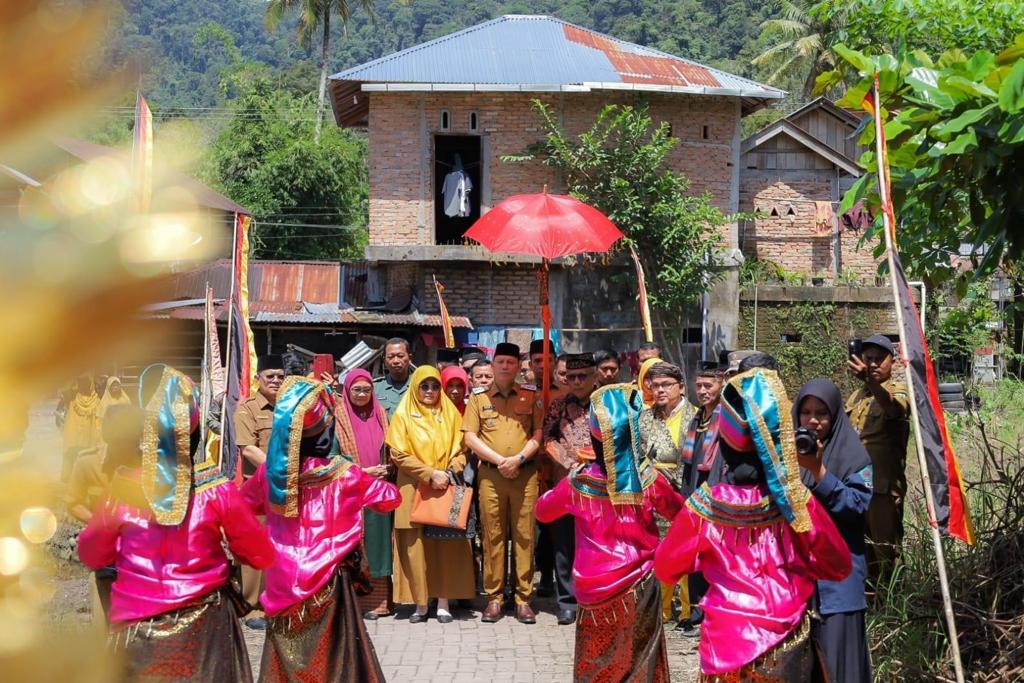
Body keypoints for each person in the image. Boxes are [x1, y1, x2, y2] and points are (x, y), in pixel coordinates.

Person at [79, 365, 274, 682]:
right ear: (196, 433)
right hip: (206, 627)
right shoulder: (216, 488)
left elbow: (92, 554)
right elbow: (259, 553)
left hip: (138, 629)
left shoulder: (122, 489)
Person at [654, 368, 851, 681]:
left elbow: (665, 569)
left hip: (726, 641)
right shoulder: (797, 501)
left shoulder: (703, 508)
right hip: (786, 639)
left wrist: (705, 557)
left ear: (724, 445)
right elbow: (838, 566)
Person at [242, 375, 400, 682]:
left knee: (287, 652)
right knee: (328, 654)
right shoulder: (345, 475)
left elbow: (243, 505)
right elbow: (389, 499)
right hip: (328, 582)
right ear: (325, 434)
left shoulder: (269, 475)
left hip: (281, 579)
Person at [537, 382, 684, 682]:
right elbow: (681, 513)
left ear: (593, 434)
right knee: (641, 658)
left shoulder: (578, 484)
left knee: (598, 662)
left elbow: (543, 511)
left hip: (594, 588)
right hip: (640, 584)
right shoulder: (648, 479)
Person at [795, 379, 874, 683]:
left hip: (838, 586)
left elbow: (855, 507)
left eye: (822, 413)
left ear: (836, 416)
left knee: (840, 669)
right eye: (806, 412)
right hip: (796, 583)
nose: (813, 420)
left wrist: (819, 472)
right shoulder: (786, 457)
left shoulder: (855, 457)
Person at [386, 366, 476, 623]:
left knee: (444, 543)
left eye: (435, 386)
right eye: (424, 386)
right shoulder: (403, 414)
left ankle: (444, 601)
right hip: (413, 487)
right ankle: (421, 603)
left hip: (444, 487)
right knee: (415, 546)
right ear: (415, 387)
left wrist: (447, 472)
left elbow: (463, 450)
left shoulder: (450, 414)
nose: (430, 391)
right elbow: (399, 454)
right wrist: (428, 474)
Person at [463, 342, 543, 624]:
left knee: (524, 536)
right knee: (492, 536)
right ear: (493, 365)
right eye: (501, 362)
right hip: (492, 476)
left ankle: (523, 599)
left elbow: (538, 433)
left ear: (518, 366)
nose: (506, 366)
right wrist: (500, 461)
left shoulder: (530, 396)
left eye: (511, 362)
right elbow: (470, 437)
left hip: (524, 474)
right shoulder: (478, 397)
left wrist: (518, 459)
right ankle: (494, 598)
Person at [540, 353, 598, 626]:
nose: (576, 381)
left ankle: (594, 599)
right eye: (571, 376)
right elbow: (548, 437)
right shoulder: (559, 405)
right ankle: (566, 602)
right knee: (564, 545)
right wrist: (567, 460)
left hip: (600, 486)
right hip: (566, 483)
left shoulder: (607, 403)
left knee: (596, 544)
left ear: (595, 375)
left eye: (582, 376)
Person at [846, 334, 910, 578]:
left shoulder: (898, 390)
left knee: (886, 551)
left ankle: (893, 607)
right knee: (861, 550)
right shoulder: (857, 396)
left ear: (891, 363)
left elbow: (894, 408)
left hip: (882, 488)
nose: (872, 364)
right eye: (868, 358)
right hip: (854, 486)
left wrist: (871, 383)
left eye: (878, 359)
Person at [636, 362, 693, 628]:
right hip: (653, 491)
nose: (660, 390)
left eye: (666, 385)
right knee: (657, 549)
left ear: (680, 387)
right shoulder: (645, 418)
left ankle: (686, 609)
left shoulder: (696, 416)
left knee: (684, 548)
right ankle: (661, 607)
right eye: (655, 385)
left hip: (686, 489)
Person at [334, 369, 394, 621]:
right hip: (349, 492)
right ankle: (352, 604)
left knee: (379, 547)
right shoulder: (336, 417)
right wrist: (361, 471)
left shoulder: (381, 414)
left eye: (366, 390)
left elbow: (392, 445)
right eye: (356, 390)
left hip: (377, 491)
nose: (361, 395)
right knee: (353, 547)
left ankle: (379, 603)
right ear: (347, 391)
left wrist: (388, 467)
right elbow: (331, 455)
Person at [673, 360, 726, 636]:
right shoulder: (697, 418)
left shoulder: (725, 418)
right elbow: (689, 461)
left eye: (709, 385)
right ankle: (695, 612)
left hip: (714, 494)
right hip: (693, 491)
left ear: (721, 385)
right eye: (700, 385)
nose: (703, 391)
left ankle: (711, 613)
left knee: (713, 555)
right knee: (694, 555)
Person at [234, 353, 286, 630]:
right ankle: (254, 607)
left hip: (287, 487)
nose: (276, 381)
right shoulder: (248, 409)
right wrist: (279, 468)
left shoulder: (290, 407)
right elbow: (247, 448)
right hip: (257, 490)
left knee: (282, 545)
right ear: (258, 379)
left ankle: (276, 602)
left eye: (280, 376)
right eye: (270, 376)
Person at [62, 373, 101, 481]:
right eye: (82, 384)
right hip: (75, 437)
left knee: (87, 456)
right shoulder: (73, 399)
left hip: (89, 436)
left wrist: (97, 435)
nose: (84, 386)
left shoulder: (97, 402)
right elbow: (64, 389)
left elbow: (98, 421)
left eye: (86, 383)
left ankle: (86, 477)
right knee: (73, 455)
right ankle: (71, 477)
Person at [375, 338, 414, 418]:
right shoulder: (375, 388)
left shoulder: (421, 386)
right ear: (384, 361)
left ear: (410, 358)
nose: (396, 361)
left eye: (400, 356)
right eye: (390, 357)